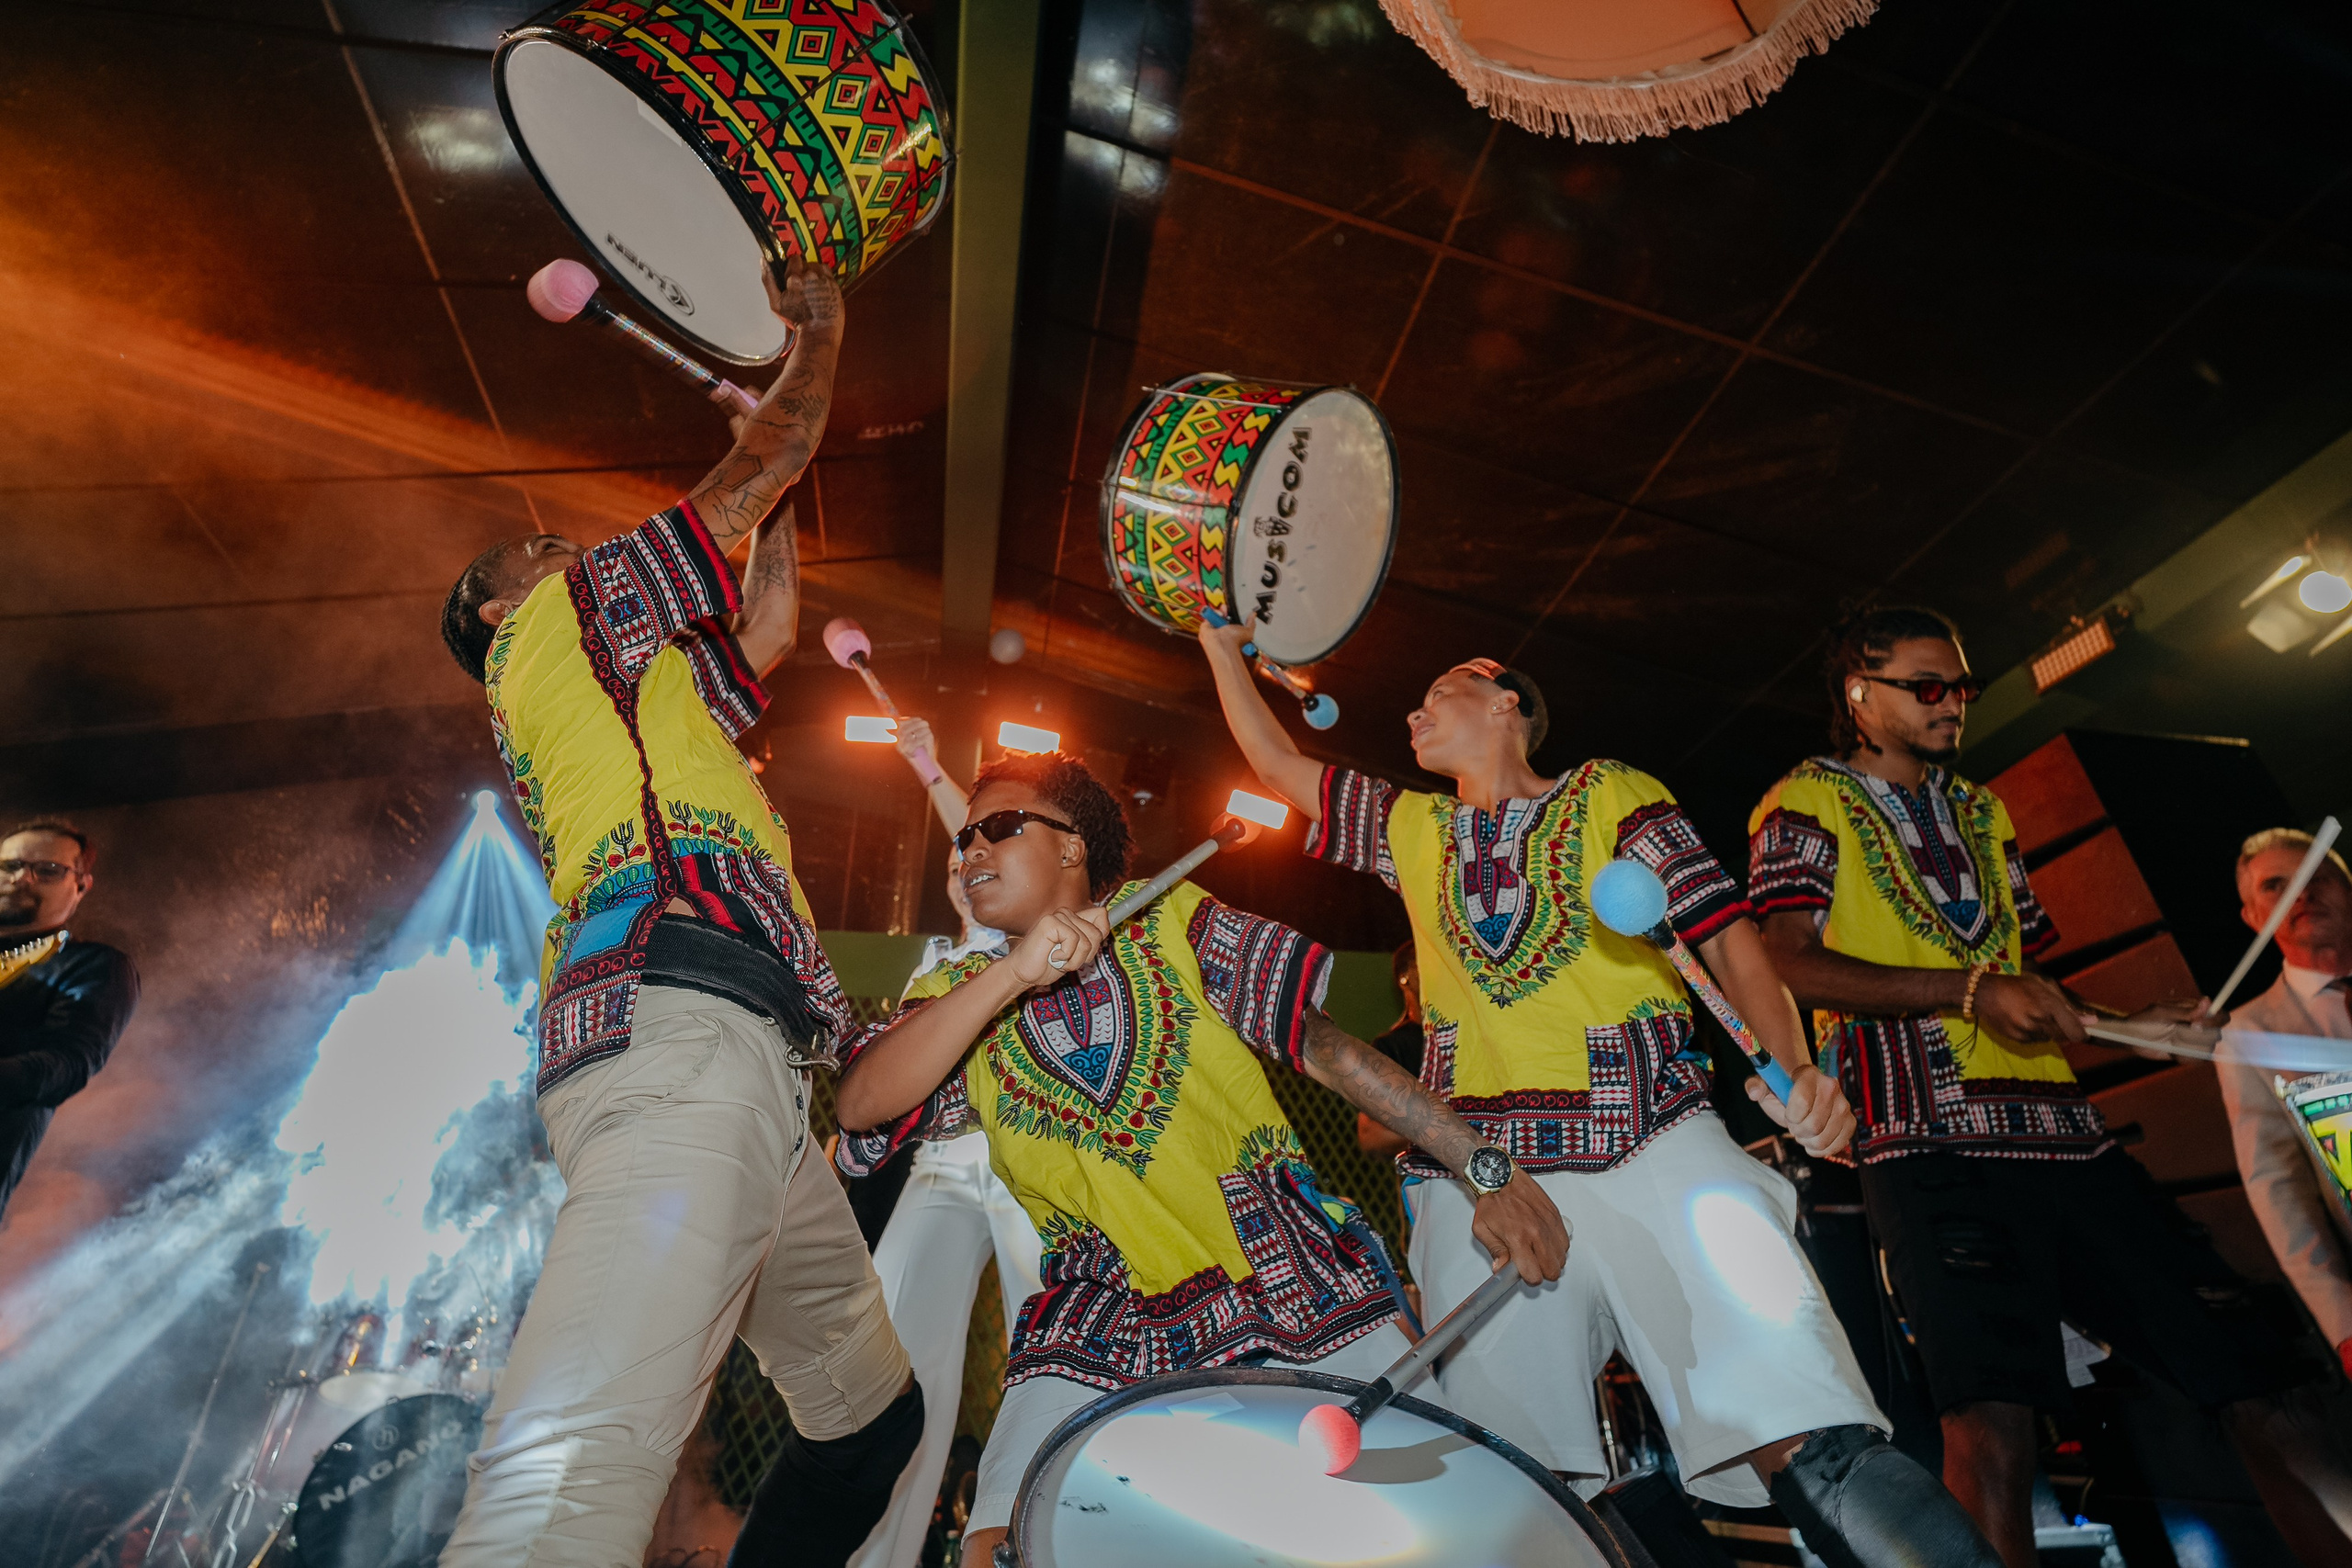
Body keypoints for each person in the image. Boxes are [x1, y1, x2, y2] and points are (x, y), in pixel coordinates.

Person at [1203, 626, 1996, 1568]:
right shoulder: (1409, 828)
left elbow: (1728, 936)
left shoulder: (1612, 792)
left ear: (1506, 702)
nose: (1413, 711)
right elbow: (1276, 761)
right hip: (1482, 1185)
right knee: (1517, 1487)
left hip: (1658, 1142)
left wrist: (1794, 1073)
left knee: (1806, 1423)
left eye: (1440, 688)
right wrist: (1218, 645)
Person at [434, 259, 918, 1568]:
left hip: (732, 1058)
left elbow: (763, 629)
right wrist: (814, 340)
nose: (570, 542)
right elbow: (770, 463)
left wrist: (765, 467)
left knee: (872, 1418)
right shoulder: (565, 621)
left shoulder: (616, 685)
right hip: (681, 1042)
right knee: (567, 1475)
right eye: (540, 544)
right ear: (497, 604)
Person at [828, 750, 1571, 1566]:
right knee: (1008, 1541)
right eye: (963, 838)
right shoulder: (960, 1000)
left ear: (1073, 846)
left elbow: (1331, 1052)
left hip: (1290, 1280)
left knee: (1450, 1531)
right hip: (1097, 1315)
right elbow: (864, 1103)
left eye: (998, 827)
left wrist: (1485, 1168)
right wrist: (1012, 971)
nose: (969, 851)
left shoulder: (1174, 920)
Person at [1749, 605, 2352, 1568]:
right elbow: (1786, 961)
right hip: (1931, 1149)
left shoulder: (1981, 809)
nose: (1953, 704)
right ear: (1859, 696)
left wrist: (2128, 1020)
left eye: (1961, 686)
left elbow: (2018, 975)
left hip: (2070, 1141)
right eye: (1926, 686)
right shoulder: (1802, 804)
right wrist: (1970, 991)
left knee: (2255, 1374)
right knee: (1990, 1423)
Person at [847, 717, 1041, 1568]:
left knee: (1060, 1341)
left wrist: (928, 763)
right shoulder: (935, 963)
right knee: (893, 1366)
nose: (968, 864)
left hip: (1032, 1163)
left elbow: (980, 827)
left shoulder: (1034, 939)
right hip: (942, 1168)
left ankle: (1054, 1539)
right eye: (958, 858)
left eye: (982, 853)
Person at [2217, 829, 2352, 1368]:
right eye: (2278, 886)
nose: (2303, 894)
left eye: (2319, 877)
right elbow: (2278, 1190)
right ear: (2253, 917)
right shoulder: (2249, 1035)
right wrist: (2343, 1323)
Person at [0, 821, 138, 1224]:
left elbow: (67, 1066)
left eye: (47, 870)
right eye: (8, 866)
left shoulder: (92, 965)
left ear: (81, 886)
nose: (21, 877)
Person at [1356, 942, 1422, 1161]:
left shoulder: (1473, 1039)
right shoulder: (1393, 1047)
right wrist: (1445, 1133)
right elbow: (1371, 1134)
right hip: (1423, 1186)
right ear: (1406, 978)